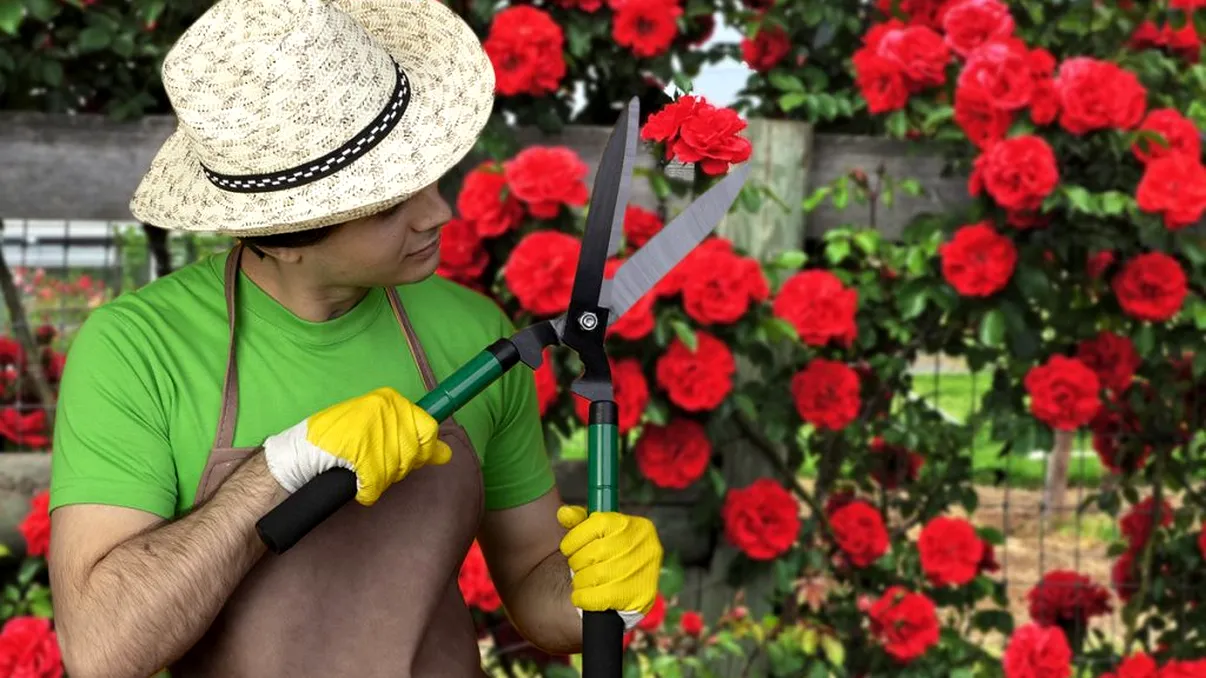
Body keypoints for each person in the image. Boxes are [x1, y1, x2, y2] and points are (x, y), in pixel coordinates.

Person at [45, 0, 664, 675]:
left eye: (424, 175)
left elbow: (532, 587)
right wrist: (275, 474)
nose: (439, 211)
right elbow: (104, 652)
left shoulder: (472, 332)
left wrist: (596, 595)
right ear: (282, 240)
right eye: (387, 205)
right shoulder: (138, 351)